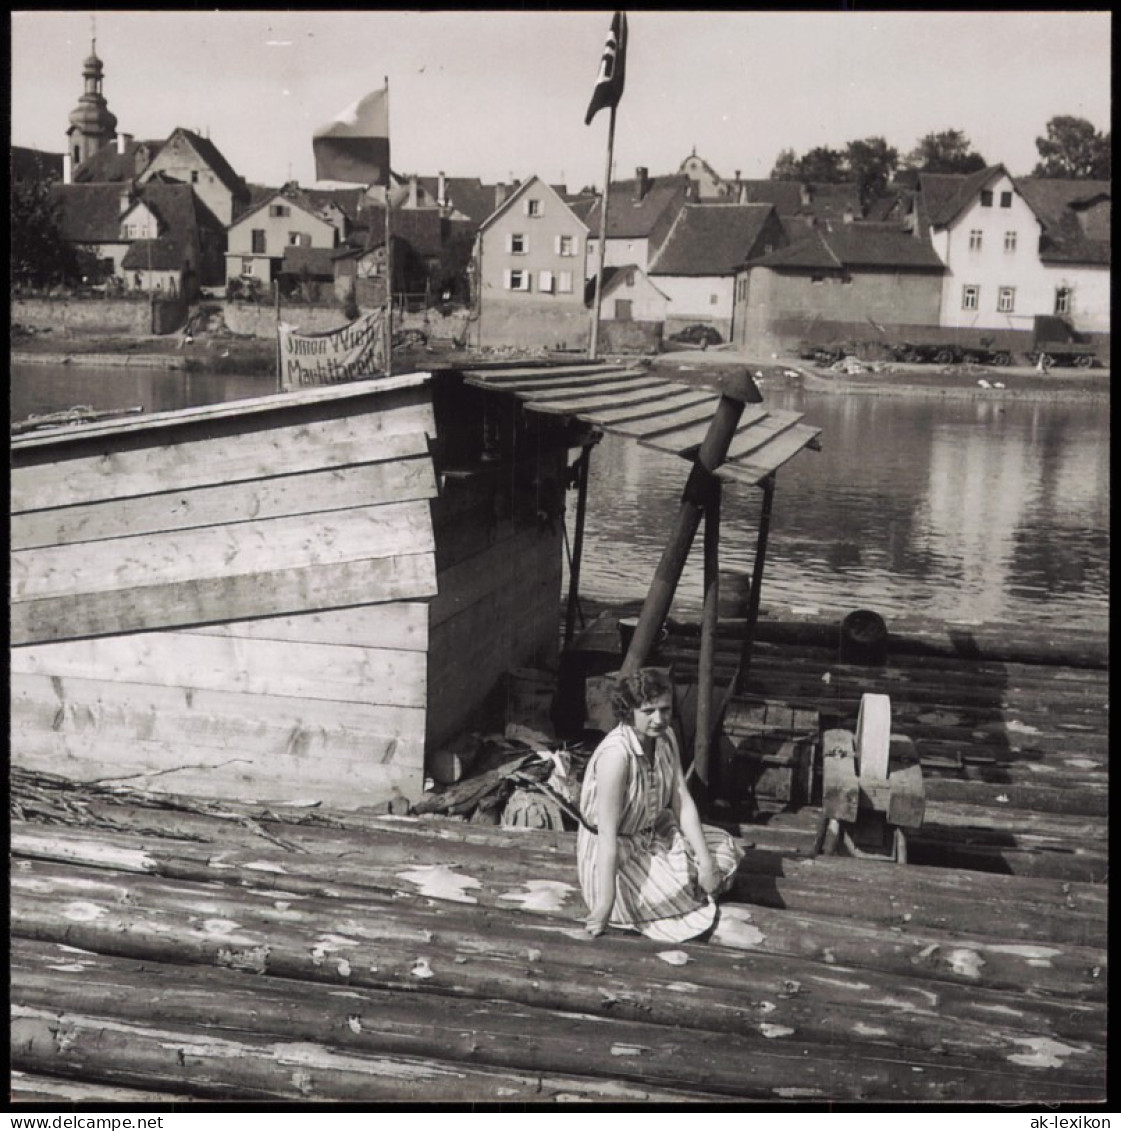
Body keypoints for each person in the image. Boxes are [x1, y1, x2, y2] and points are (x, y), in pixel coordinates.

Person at [577, 668, 744, 942]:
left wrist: (705, 862)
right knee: (677, 890)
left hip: (651, 833)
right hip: (614, 854)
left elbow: (682, 801)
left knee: (721, 848)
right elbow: (606, 836)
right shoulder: (616, 756)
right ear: (629, 711)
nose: (658, 719)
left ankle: (698, 879)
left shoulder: (666, 739)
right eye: (648, 711)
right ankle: (680, 889)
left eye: (665, 709)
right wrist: (604, 904)